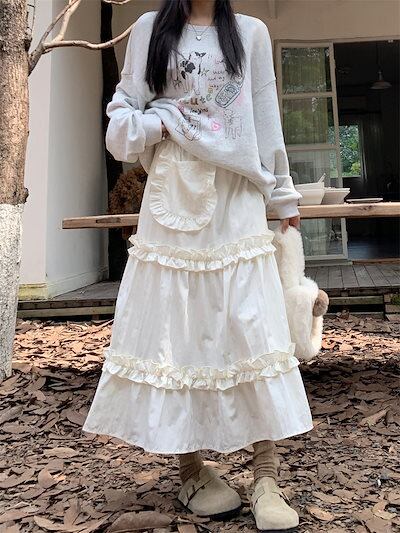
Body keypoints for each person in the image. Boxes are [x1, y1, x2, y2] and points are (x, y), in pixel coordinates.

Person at [82, 1, 314, 530]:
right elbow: (120, 125)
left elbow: (265, 119)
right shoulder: (149, 29)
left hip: (237, 199)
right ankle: (191, 469)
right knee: (178, 327)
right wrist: (162, 122)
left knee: (253, 328)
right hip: (173, 197)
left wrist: (284, 198)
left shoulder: (250, 33)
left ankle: (266, 476)